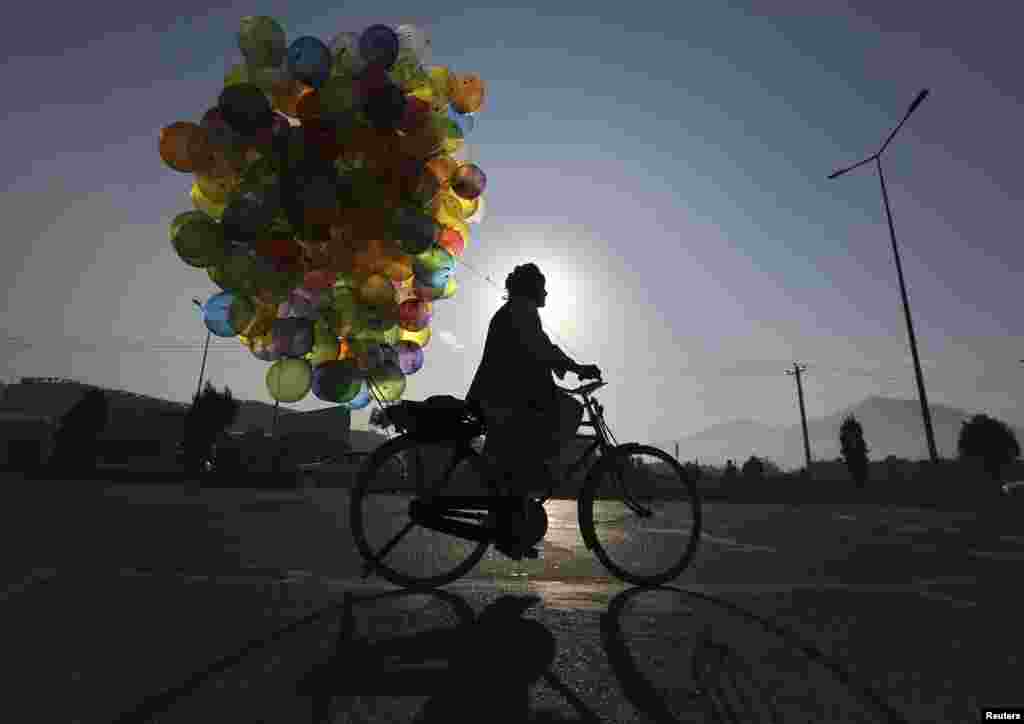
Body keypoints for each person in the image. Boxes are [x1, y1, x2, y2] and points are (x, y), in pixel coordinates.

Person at [466, 263, 601, 556]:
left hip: (503, 398)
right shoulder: (521, 310)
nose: (547, 292)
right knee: (568, 412)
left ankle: (512, 516)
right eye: (542, 286)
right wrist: (576, 367)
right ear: (531, 289)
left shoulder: (517, 310)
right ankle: (525, 493)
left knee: (524, 453)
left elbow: (538, 350)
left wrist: (566, 368)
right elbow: (541, 348)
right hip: (504, 400)